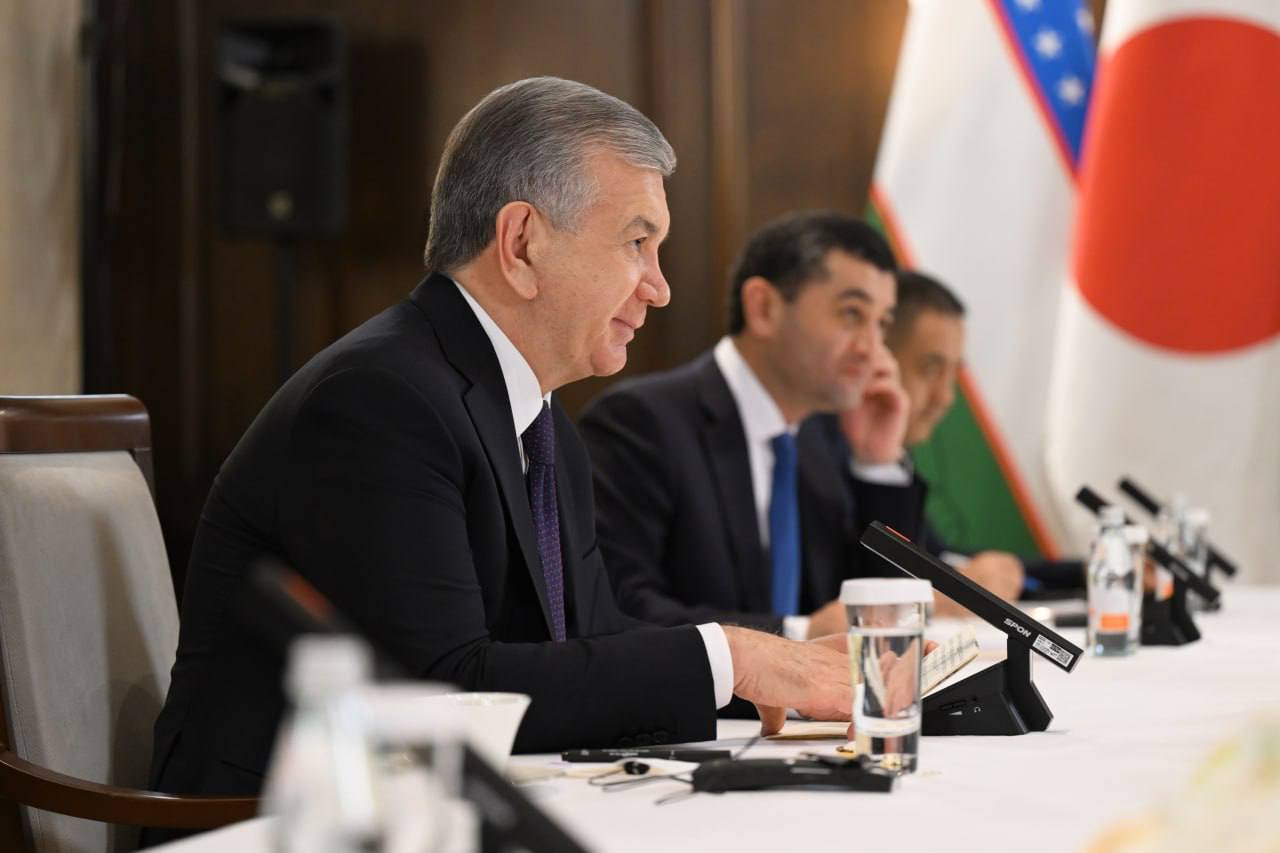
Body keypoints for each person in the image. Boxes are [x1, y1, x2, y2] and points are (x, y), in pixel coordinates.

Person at [145, 78, 852, 814]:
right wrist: (730, 658)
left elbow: (589, 643)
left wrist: (780, 670)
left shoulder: (539, 422)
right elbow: (445, 691)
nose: (659, 287)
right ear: (521, 243)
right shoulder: (378, 399)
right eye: (637, 243)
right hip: (270, 826)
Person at [578, 211, 929, 644]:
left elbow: (884, 615)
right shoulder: (639, 423)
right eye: (852, 314)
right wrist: (799, 634)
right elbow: (619, 607)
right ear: (764, 308)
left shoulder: (825, 435)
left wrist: (876, 463)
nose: (872, 349)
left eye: (882, 323)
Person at [887, 270, 1083, 598]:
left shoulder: (892, 460)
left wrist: (1085, 575)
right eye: (931, 370)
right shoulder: (831, 462)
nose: (945, 397)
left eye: (953, 374)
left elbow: (940, 560)